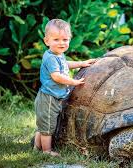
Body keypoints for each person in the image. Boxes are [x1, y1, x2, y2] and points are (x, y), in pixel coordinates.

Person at [33, 19, 96, 156]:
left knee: (44, 125)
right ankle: (46, 151)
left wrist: (81, 63)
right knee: (48, 127)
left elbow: (64, 64)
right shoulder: (50, 58)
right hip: (49, 98)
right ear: (47, 41)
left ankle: (36, 148)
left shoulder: (57, 55)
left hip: (54, 96)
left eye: (65, 39)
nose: (61, 43)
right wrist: (73, 82)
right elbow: (56, 76)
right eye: (56, 39)